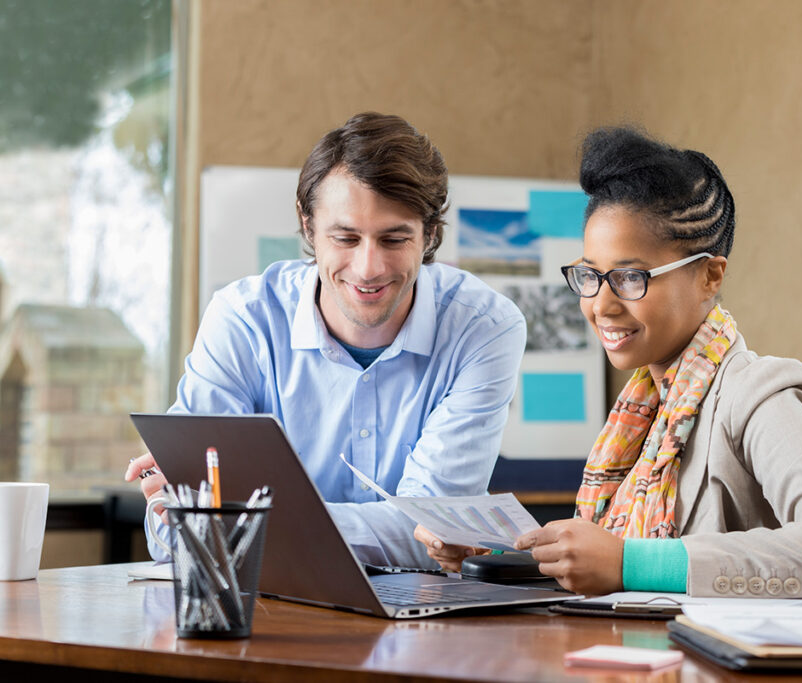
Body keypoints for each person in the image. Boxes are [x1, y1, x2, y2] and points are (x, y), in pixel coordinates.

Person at [416, 126, 802, 596]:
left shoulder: (756, 394)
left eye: (629, 277)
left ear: (710, 275)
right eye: (590, 275)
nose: (601, 305)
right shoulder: (641, 413)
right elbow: (607, 569)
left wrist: (630, 562)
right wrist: (498, 556)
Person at [126, 112, 526, 568]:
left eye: (394, 239)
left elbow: (433, 533)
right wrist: (196, 514)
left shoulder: (485, 328)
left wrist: (244, 519)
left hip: (418, 624)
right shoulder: (242, 319)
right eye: (345, 237)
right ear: (308, 226)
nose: (368, 267)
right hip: (267, 613)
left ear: (430, 234)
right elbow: (173, 530)